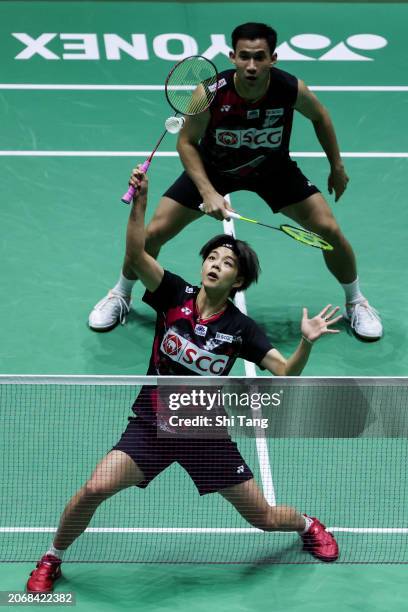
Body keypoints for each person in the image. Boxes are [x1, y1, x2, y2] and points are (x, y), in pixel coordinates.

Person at [27, 169, 341, 593]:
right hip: (151, 426)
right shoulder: (174, 294)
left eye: (228, 263)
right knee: (93, 488)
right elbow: (138, 256)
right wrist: (141, 202)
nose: (216, 264)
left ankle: (307, 524)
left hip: (203, 433)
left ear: (240, 281)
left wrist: (306, 344)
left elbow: (285, 373)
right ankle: (52, 558)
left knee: (264, 518)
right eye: (213, 257)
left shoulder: (242, 329)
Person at [89, 22, 382, 342]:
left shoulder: (289, 88)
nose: (252, 65)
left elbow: (320, 116)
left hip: (273, 170)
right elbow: (186, 142)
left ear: (274, 58)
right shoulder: (211, 91)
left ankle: (356, 302)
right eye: (245, 56)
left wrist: (336, 166)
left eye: (260, 57)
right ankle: (120, 294)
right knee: (154, 233)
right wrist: (207, 191)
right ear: (232, 56)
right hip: (213, 169)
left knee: (329, 230)